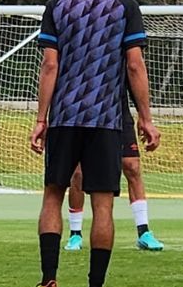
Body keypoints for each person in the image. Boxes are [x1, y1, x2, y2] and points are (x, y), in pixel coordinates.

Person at [24, 0, 160, 287]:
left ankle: (47, 281)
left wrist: (41, 119)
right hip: (105, 119)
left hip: (65, 118)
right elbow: (134, 65)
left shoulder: (57, 5)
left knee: (53, 194)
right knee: (103, 205)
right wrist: (146, 119)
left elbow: (49, 65)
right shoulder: (125, 6)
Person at [64, 90, 164, 252]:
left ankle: (144, 232)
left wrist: (145, 117)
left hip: (116, 111)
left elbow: (135, 75)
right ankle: (75, 234)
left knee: (132, 166)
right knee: (78, 173)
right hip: (81, 112)